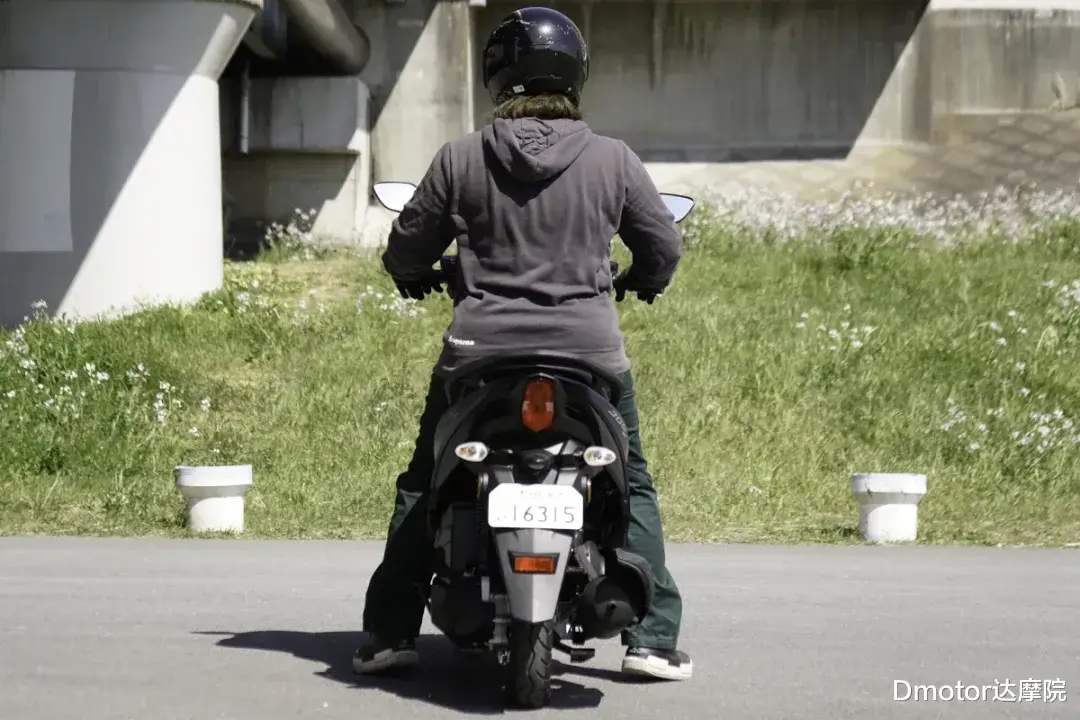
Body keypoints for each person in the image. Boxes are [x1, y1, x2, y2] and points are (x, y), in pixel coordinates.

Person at [353, 6, 691, 682]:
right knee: (631, 482)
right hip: (588, 359)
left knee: (426, 483)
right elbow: (663, 247)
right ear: (576, 76)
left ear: (496, 76)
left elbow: (406, 248)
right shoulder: (613, 160)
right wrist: (642, 280)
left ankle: (391, 634)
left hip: (480, 354)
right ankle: (651, 640)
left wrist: (414, 274)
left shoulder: (461, 158)